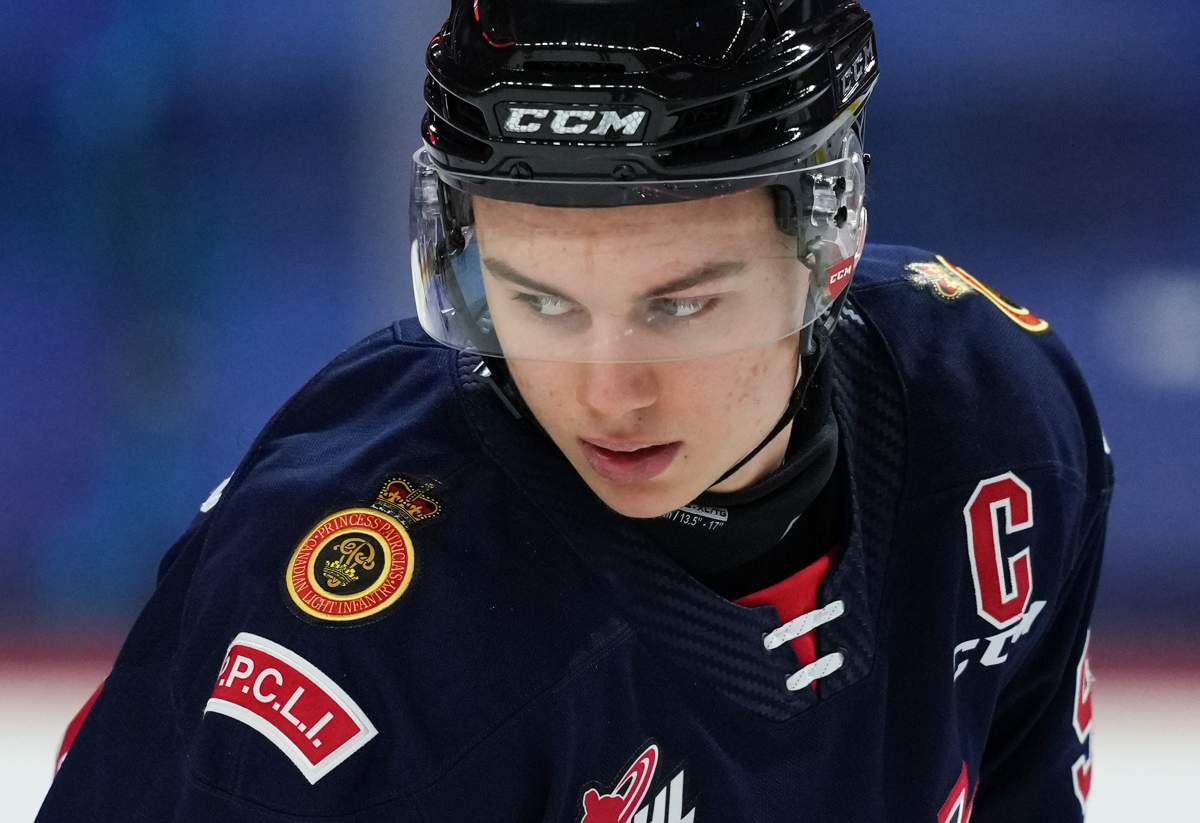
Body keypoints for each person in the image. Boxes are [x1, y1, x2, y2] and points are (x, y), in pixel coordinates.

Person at [38, 1, 1111, 821]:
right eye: (541, 301)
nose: (607, 392)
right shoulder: (374, 647)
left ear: (827, 242)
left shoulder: (996, 432)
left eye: (680, 305)